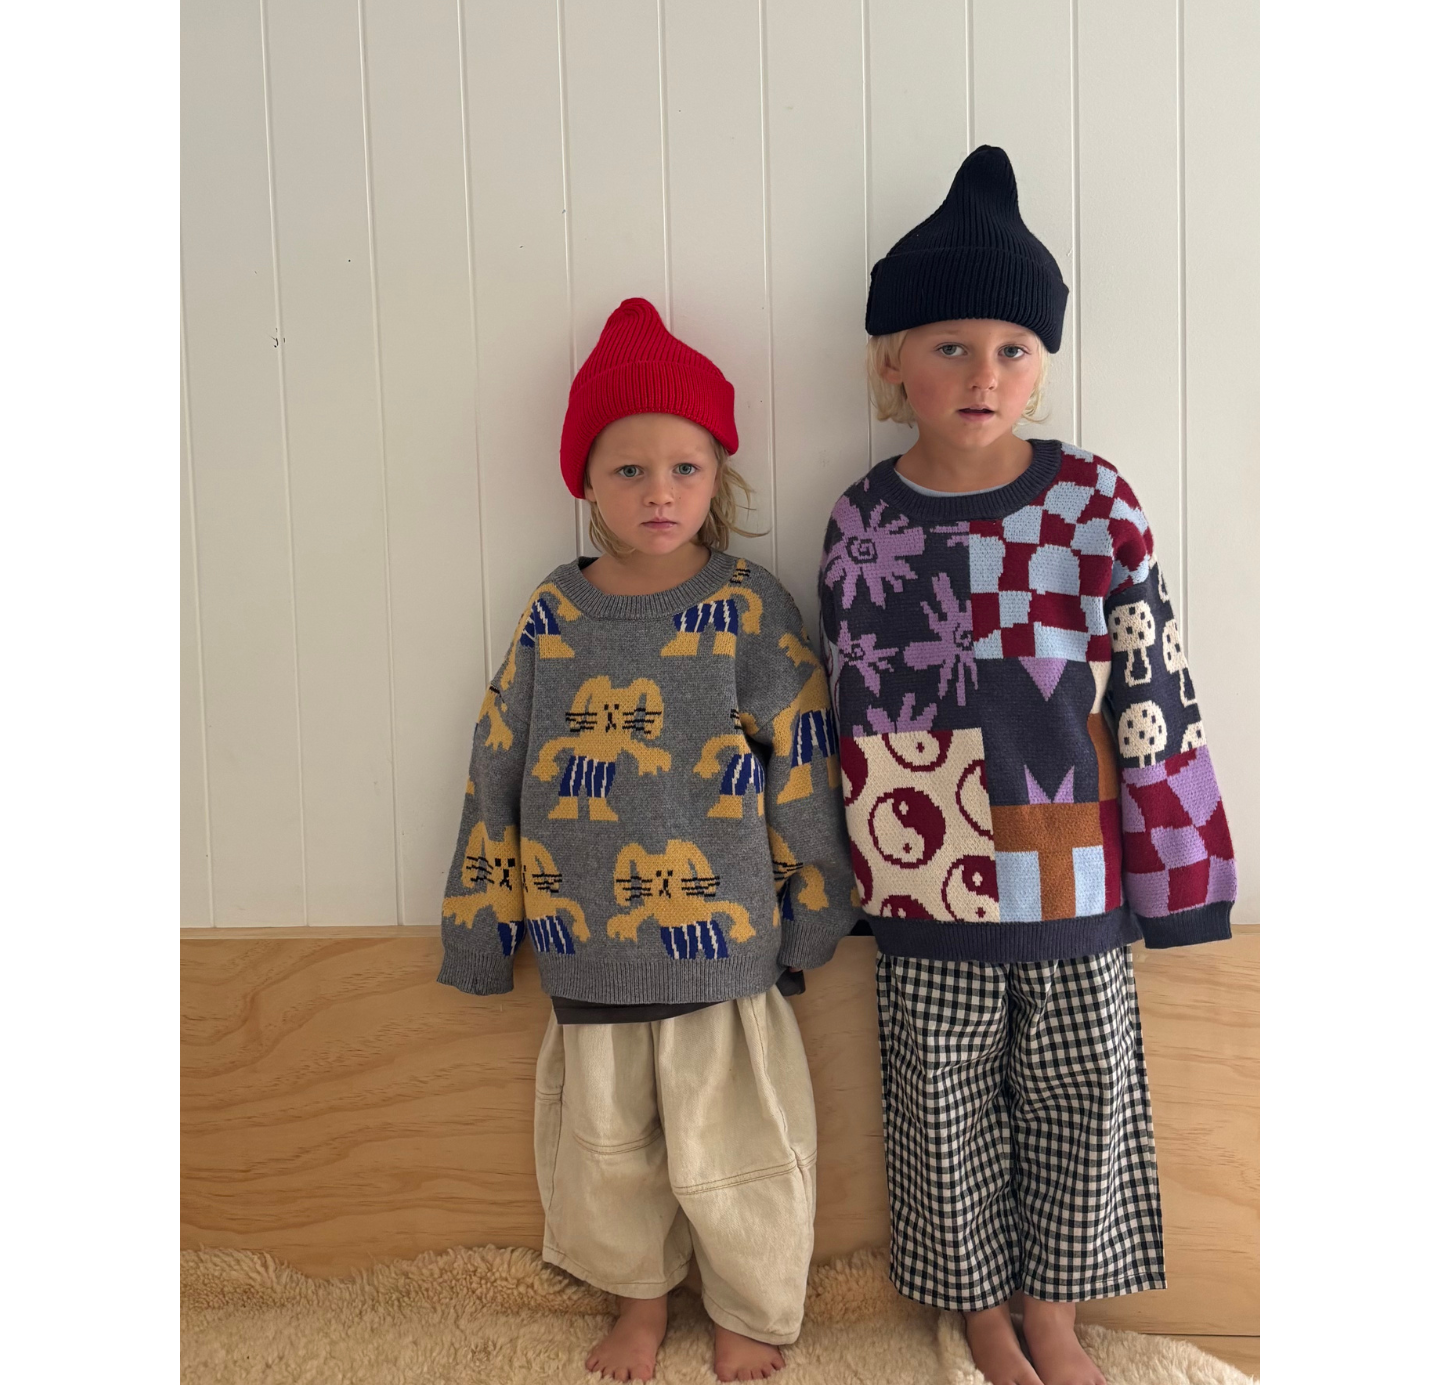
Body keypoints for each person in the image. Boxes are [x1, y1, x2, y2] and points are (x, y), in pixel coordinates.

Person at [817, 146, 1237, 1385]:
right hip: (927, 885)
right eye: (950, 346)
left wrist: (1182, 874)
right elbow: (849, 714)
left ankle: (1054, 1310)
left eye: (1012, 348)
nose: (983, 374)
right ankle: (980, 1315)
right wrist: (838, 885)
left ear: (1043, 362)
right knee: (938, 1113)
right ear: (893, 362)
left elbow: (1155, 687)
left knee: (1082, 1103)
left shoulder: (1096, 503)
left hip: (1074, 878)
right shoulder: (864, 521)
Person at [438, 298, 856, 1383]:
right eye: (629, 470)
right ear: (585, 483)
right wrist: (480, 930)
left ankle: (749, 1307)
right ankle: (637, 1304)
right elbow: (496, 762)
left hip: (727, 955)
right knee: (605, 1153)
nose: (658, 491)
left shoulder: (751, 608)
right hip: (589, 950)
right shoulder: (555, 614)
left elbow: (804, 762)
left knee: (741, 1153)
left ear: (719, 477)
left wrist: (817, 911)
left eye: (684, 467)